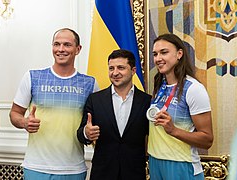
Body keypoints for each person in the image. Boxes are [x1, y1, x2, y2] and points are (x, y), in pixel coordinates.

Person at [9, 28, 99, 180]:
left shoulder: (90, 83)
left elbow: (93, 123)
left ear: (78, 49)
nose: (61, 49)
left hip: (73, 169)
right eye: (56, 44)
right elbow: (14, 114)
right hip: (36, 167)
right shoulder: (32, 77)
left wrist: (90, 132)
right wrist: (24, 122)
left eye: (67, 45)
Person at [77, 49, 151, 180]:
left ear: (133, 71)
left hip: (134, 173)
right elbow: (81, 134)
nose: (115, 73)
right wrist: (86, 133)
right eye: (111, 68)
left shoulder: (147, 101)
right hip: (103, 173)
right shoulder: (95, 100)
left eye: (121, 68)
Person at [147, 33, 213, 180]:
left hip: (181, 164)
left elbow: (207, 139)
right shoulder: (159, 85)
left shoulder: (194, 89)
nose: (158, 58)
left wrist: (173, 130)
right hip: (155, 161)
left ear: (179, 54)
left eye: (164, 52)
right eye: (155, 54)